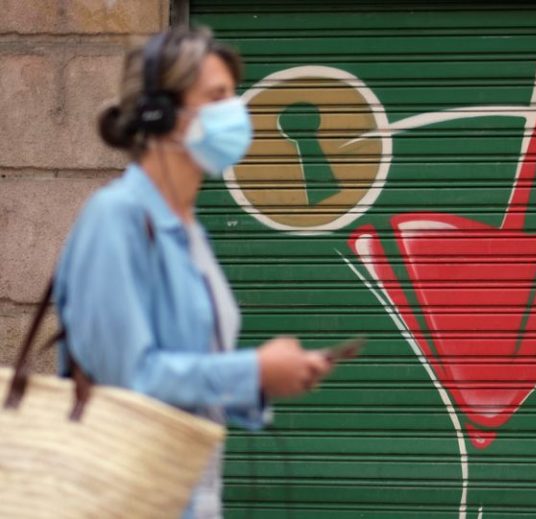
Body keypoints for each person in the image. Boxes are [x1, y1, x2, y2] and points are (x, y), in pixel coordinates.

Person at [52, 26, 332, 518]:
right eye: (217, 96)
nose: (236, 110)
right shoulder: (116, 219)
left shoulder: (188, 228)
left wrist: (263, 382)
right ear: (164, 114)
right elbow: (130, 382)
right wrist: (253, 371)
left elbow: (189, 382)